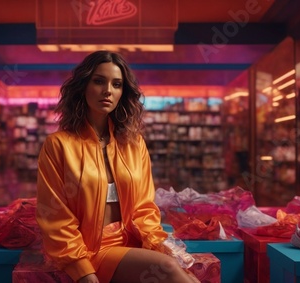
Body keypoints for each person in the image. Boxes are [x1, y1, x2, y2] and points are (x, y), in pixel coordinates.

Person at [35, 50, 199, 283]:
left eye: (117, 84)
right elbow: (54, 215)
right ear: (83, 86)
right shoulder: (58, 145)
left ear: (123, 92)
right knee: (167, 268)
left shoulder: (134, 144)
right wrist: (81, 269)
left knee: (187, 275)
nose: (107, 91)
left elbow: (144, 207)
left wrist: (157, 243)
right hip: (89, 250)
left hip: (129, 243)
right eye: (99, 81)